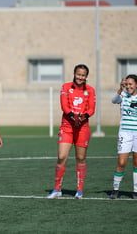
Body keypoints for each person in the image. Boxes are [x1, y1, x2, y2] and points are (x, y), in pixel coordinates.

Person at [47, 64, 96, 199]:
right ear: (74, 74)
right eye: (78, 74)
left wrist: (84, 116)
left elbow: (92, 109)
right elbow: (64, 105)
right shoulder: (66, 87)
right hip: (67, 127)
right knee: (62, 156)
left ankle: (79, 190)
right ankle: (57, 189)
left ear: (86, 76)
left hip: (83, 128)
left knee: (80, 158)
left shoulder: (90, 90)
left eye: (83, 75)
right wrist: (73, 116)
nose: (80, 77)